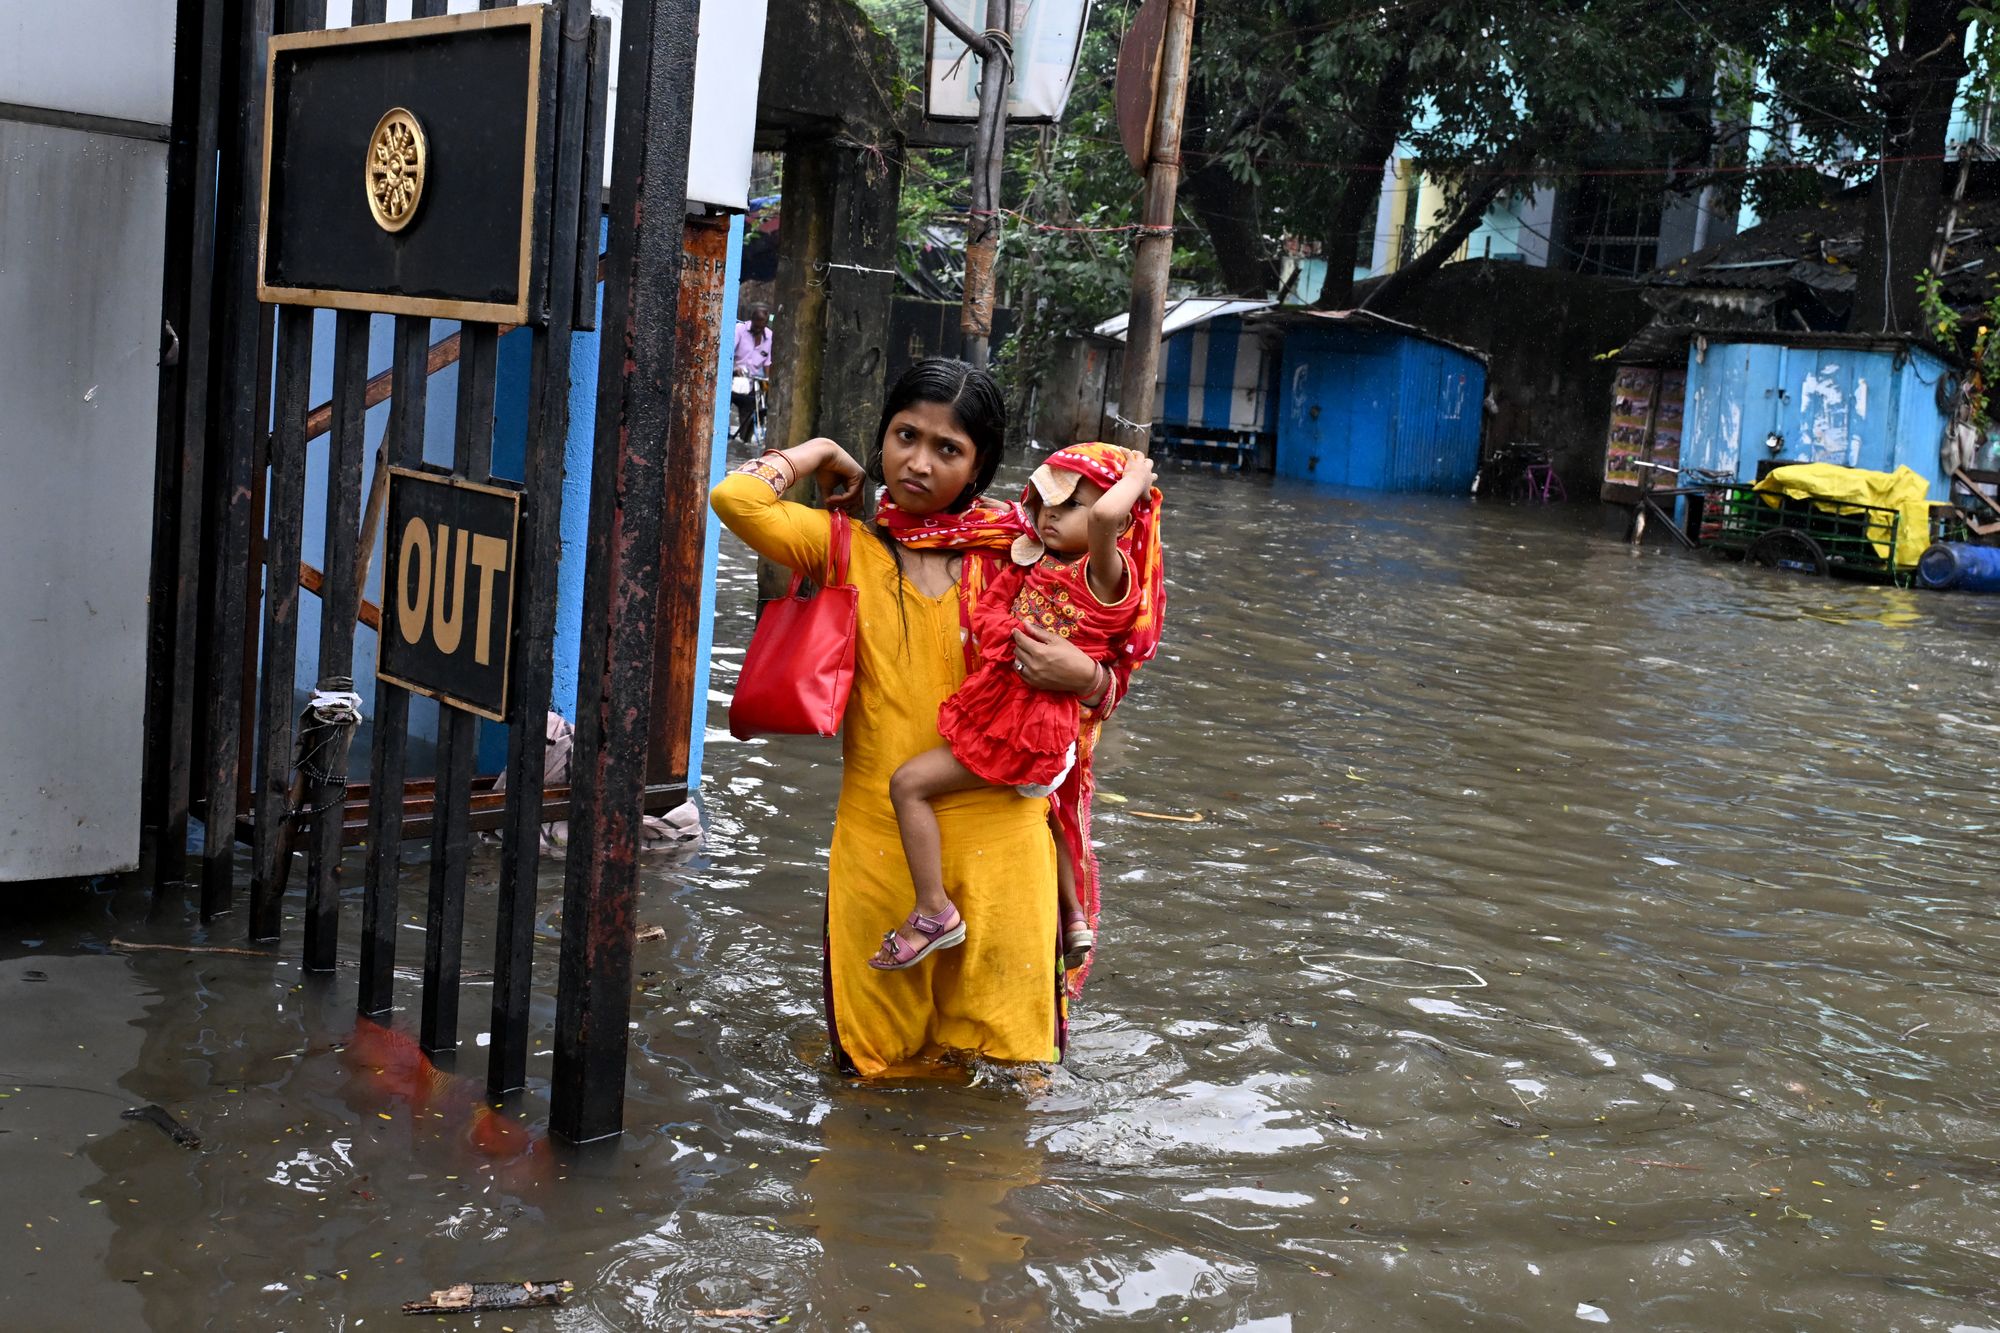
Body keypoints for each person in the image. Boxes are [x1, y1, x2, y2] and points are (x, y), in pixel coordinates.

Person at [709, 359, 1120, 1078]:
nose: (918, 462)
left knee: (1015, 1080)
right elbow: (736, 499)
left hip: (1006, 850)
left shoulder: (1023, 559)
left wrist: (1086, 675)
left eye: (947, 449)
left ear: (980, 464)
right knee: (871, 1072)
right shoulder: (845, 549)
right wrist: (818, 451)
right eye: (904, 436)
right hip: (881, 849)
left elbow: (1113, 655)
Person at [877, 444, 1163, 977]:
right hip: (1032, 722)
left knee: (907, 784)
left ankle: (934, 912)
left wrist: (1138, 475)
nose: (1053, 513)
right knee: (1051, 814)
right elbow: (992, 610)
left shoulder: (1105, 575)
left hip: (1025, 726)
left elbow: (1104, 517)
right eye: (1050, 501)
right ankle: (1073, 914)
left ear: (1119, 520)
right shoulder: (1035, 558)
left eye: (1073, 505)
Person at [731, 303, 773, 443]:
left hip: (751, 383)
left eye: (761, 326)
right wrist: (734, 369)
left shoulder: (769, 337)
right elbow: (729, 353)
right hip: (733, 379)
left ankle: (744, 440)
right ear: (752, 319)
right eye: (756, 325)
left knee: (749, 414)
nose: (758, 329)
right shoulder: (740, 330)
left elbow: (767, 362)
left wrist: (767, 381)